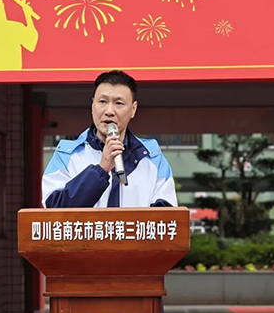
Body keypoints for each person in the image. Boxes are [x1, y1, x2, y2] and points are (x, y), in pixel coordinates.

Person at [42, 70, 177, 209]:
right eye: (102, 102)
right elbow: (54, 209)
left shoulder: (152, 157)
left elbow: (167, 215)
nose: (109, 111)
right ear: (92, 105)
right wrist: (101, 170)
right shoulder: (66, 155)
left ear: (133, 109)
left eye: (119, 103)